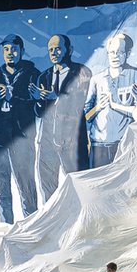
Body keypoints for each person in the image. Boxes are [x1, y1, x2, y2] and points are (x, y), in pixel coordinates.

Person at [0, 34, 40, 223]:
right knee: (1, 186)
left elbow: (38, 107)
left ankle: (31, 226)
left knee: (26, 185)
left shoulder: (33, 73)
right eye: (6, 49)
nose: (10, 53)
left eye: (14, 49)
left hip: (22, 137)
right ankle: (5, 227)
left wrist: (12, 97)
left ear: (22, 51)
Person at [31, 34, 92, 202]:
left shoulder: (82, 72)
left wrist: (54, 96)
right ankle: (53, 221)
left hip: (72, 141)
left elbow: (79, 101)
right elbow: (39, 112)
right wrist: (38, 99)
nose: (54, 52)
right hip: (47, 140)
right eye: (50, 49)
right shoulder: (43, 76)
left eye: (58, 48)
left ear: (69, 50)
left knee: (79, 185)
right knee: (47, 185)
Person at [84, 34, 137, 169]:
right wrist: (99, 107)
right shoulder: (97, 79)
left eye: (120, 52)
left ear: (127, 53)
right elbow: (86, 116)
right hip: (99, 146)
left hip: (125, 145)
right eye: (112, 52)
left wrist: (116, 105)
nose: (115, 56)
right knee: (99, 185)